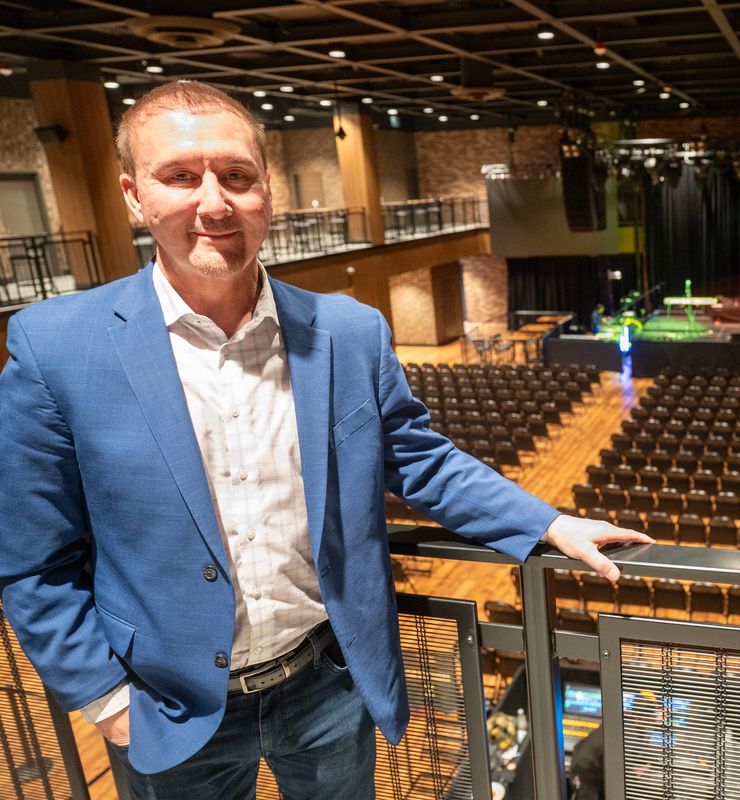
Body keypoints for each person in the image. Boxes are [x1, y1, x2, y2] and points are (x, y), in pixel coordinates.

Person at [0, 80, 652, 798]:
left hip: (325, 687)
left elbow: (418, 458)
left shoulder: (349, 330)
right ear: (133, 195)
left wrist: (549, 522)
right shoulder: (58, 346)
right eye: (181, 177)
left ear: (267, 193)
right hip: (165, 706)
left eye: (237, 177)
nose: (214, 202)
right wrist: (107, 702)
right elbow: (32, 561)